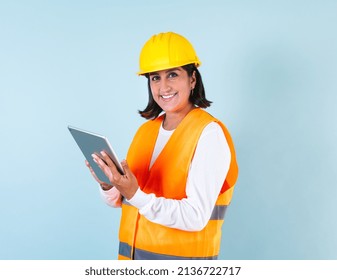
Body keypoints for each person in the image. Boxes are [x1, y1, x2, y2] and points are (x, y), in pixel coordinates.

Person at [85, 32, 238, 260]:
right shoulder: (146, 132)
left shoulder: (209, 134)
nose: (163, 86)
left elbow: (195, 216)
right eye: (155, 77)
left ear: (192, 79)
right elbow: (123, 201)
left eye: (172, 75)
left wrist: (135, 194)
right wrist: (110, 185)